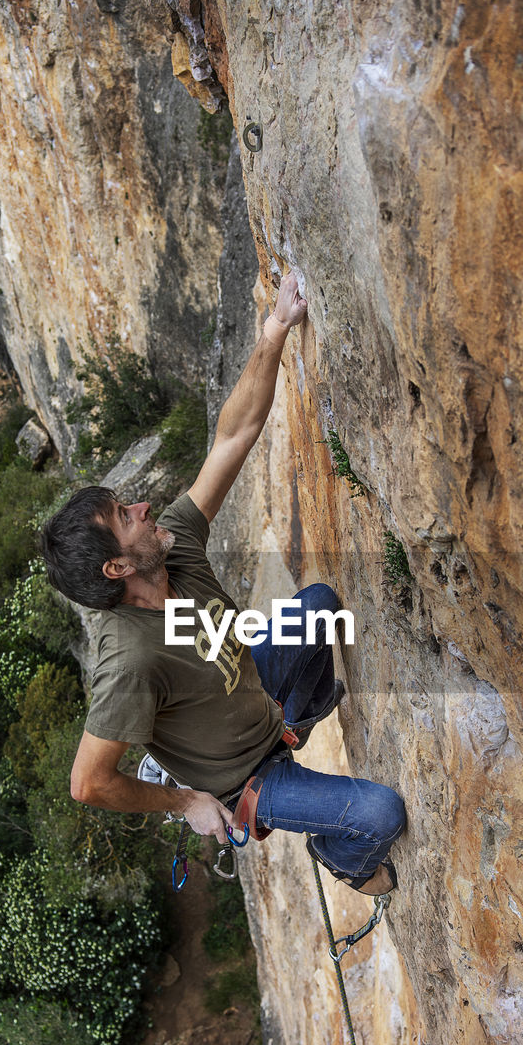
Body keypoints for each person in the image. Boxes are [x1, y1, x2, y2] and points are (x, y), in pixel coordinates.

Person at [40, 274, 405, 894]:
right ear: (117, 569)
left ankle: (297, 717)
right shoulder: (129, 661)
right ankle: (342, 857)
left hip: (256, 697)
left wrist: (275, 331)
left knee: (319, 607)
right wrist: (183, 802)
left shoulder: (172, 550)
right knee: (381, 815)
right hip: (243, 778)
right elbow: (87, 783)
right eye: (126, 517)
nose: (145, 508)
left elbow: (232, 437)